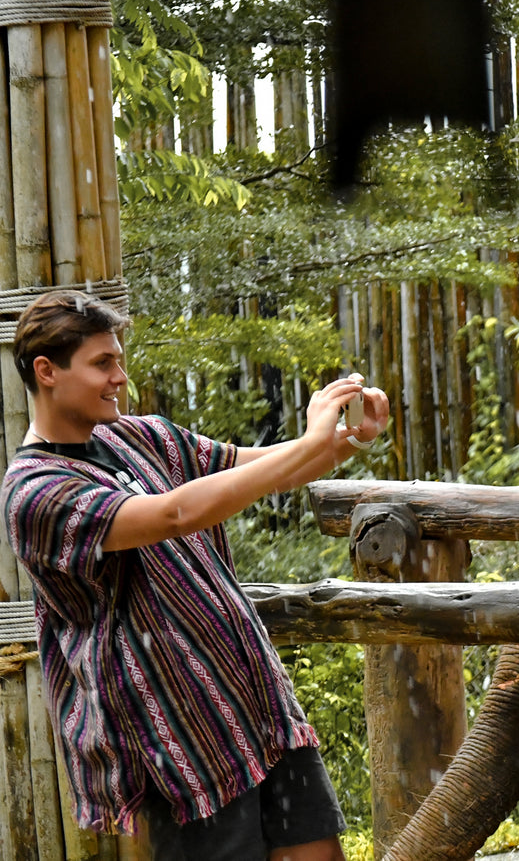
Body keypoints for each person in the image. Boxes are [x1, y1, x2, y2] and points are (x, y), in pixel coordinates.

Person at [2, 290, 390, 861]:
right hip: (176, 735)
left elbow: (262, 470)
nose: (120, 377)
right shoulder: (35, 492)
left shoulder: (137, 436)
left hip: (255, 702)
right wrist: (312, 443)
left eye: (119, 360)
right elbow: (174, 513)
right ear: (47, 371)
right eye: (102, 364)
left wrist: (341, 440)